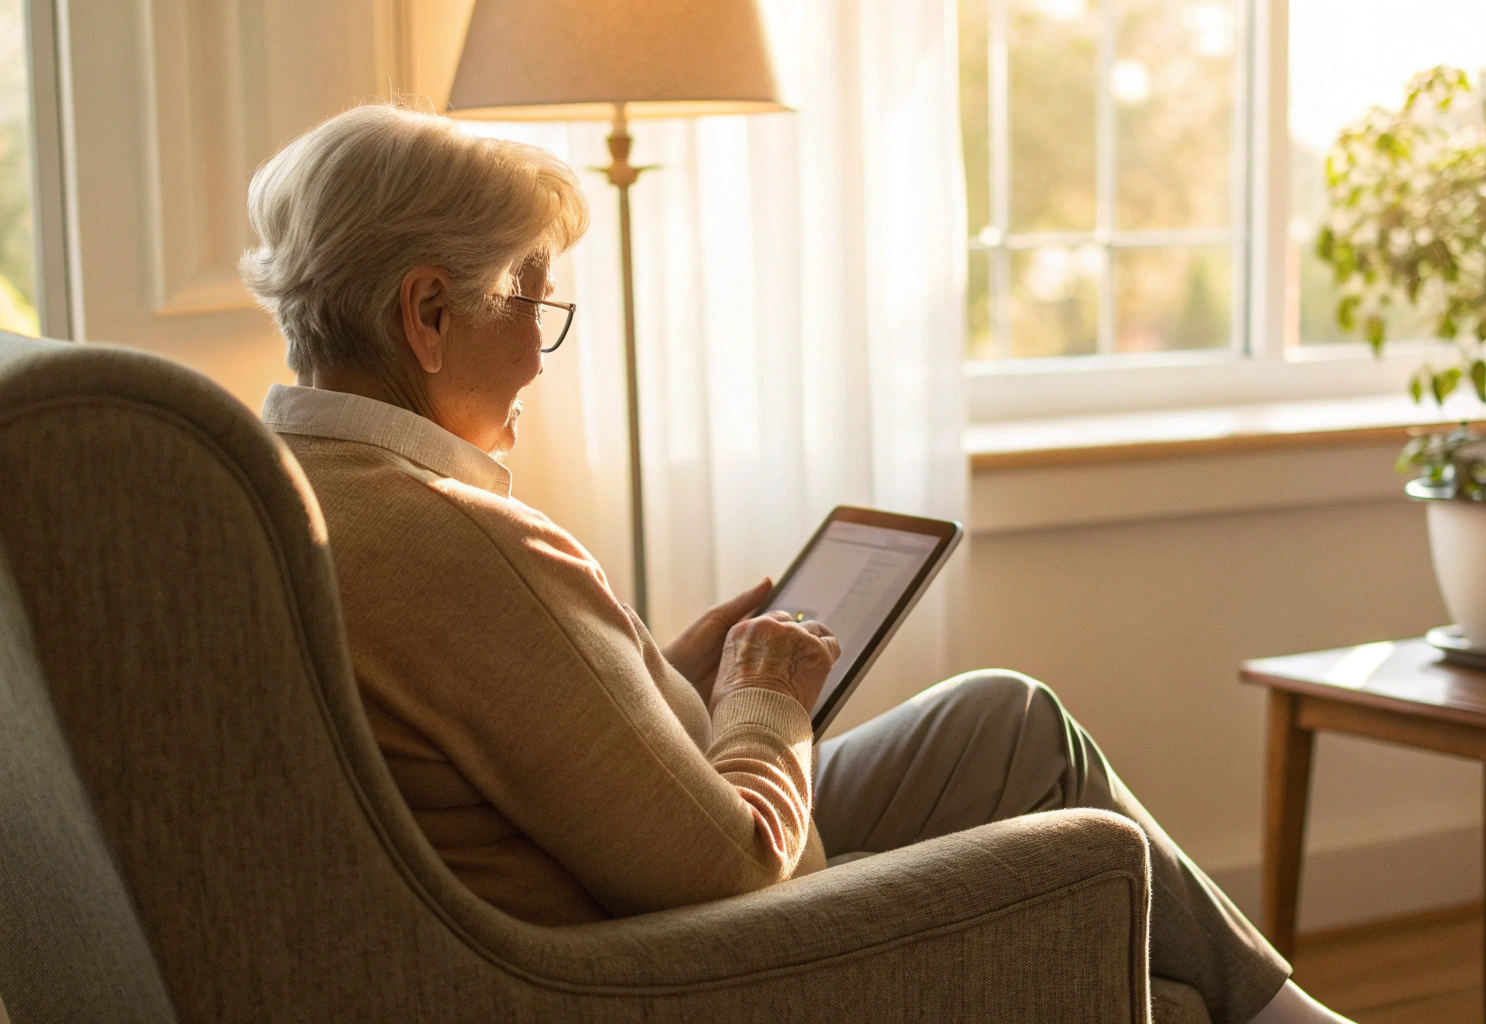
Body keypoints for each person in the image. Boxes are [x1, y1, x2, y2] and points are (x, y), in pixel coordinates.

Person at [239, 104, 1354, 1024]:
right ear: (427, 312)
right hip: (666, 959)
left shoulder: (277, 487)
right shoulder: (456, 538)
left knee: (1003, 721)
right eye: (531, 296)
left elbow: (504, 737)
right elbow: (736, 861)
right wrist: (763, 700)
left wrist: (659, 675)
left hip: (576, 890)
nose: (541, 345)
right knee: (1098, 878)